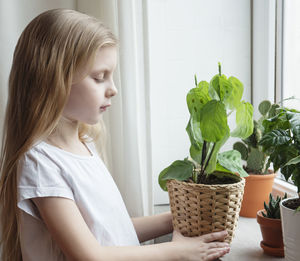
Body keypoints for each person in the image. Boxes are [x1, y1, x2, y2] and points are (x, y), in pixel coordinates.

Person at [0, 8, 230, 261]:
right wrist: (177, 252)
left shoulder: (83, 143)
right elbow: (91, 255)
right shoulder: (40, 163)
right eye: (100, 77)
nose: (113, 89)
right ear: (53, 80)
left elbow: (110, 234)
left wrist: (173, 220)